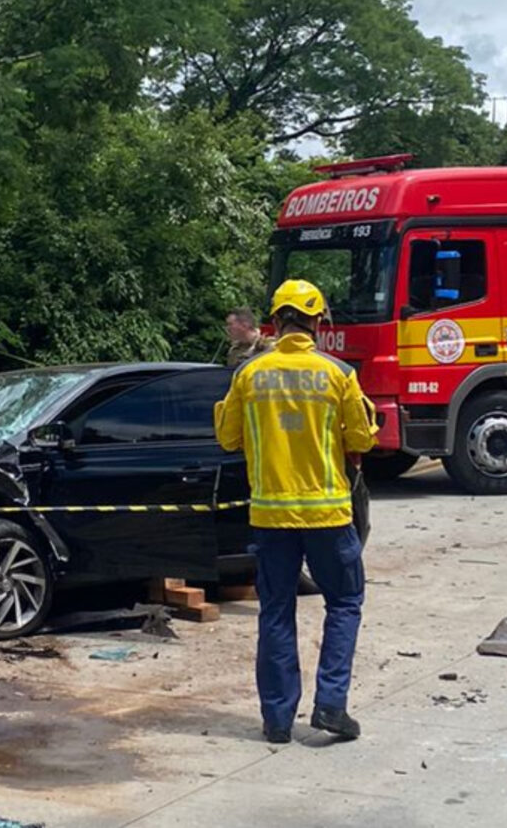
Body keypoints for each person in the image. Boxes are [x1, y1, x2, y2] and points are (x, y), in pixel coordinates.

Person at [214, 280, 377, 744]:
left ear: (275, 321)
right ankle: (331, 705)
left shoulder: (249, 374)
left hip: (270, 518)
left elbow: (227, 438)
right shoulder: (337, 373)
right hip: (328, 517)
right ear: (318, 322)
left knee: (276, 612)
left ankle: (277, 720)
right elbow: (362, 439)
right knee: (344, 603)